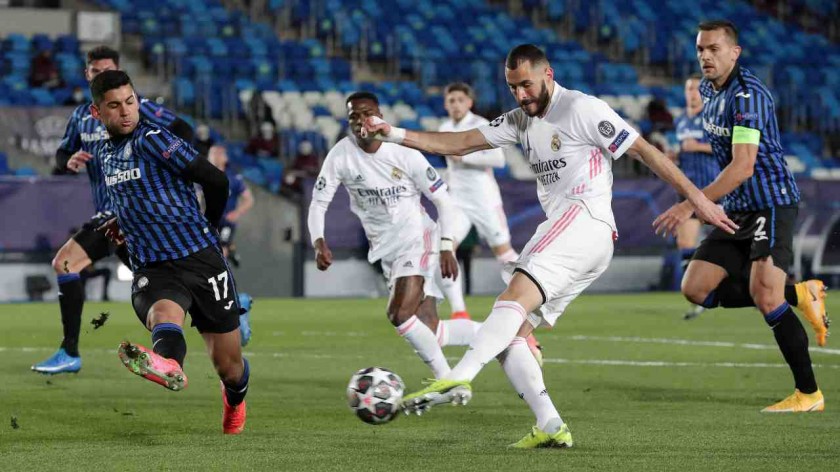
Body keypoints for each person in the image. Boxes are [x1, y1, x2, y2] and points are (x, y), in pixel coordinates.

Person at [363, 44, 734, 448]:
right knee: (512, 334)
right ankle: (550, 423)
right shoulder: (520, 120)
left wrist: (697, 199)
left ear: (548, 75)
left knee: (513, 297)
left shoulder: (581, 109)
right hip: (569, 232)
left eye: (526, 84)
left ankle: (459, 374)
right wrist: (395, 134)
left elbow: (645, 152)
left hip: (585, 219)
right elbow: (459, 142)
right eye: (512, 87)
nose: (521, 95)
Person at [655, 20, 828, 413]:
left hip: (769, 201)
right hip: (735, 207)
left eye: (714, 48)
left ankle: (809, 393)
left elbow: (743, 167)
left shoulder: (748, 96)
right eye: (700, 49)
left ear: (735, 52)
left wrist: (691, 202)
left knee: (765, 297)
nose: (705, 56)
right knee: (696, 288)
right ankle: (801, 293)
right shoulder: (705, 90)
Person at [309, 92, 541, 379]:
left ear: (380, 114)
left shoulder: (403, 151)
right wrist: (318, 241)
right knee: (432, 329)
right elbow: (318, 203)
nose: (361, 121)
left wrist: (446, 245)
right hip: (386, 249)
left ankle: (448, 381)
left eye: (367, 113)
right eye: (353, 116)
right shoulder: (341, 155)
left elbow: (444, 200)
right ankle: (508, 337)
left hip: (418, 238)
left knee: (399, 314)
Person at [90, 70, 248, 434]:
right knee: (164, 313)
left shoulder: (154, 139)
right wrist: (120, 223)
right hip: (153, 265)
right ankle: (169, 366)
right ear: (98, 113)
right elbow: (130, 198)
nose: (126, 111)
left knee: (229, 367)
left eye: (130, 102)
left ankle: (235, 399)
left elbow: (216, 180)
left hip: (200, 259)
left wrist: (209, 225)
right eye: (115, 106)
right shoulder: (103, 154)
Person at [32, 46, 195, 375]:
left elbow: (184, 132)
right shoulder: (82, 116)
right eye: (96, 72)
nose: (102, 76)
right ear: (87, 76)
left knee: (67, 263)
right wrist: (70, 162)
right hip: (116, 220)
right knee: (162, 285)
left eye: (108, 71)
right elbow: (61, 156)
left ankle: (70, 352)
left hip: (132, 214)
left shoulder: (136, 109)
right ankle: (232, 308)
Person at [436, 82, 518, 320]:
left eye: (460, 100)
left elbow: (499, 159)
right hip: (458, 201)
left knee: (504, 254)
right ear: (445, 104)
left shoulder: (481, 125)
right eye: (451, 100)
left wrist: (465, 157)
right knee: (445, 249)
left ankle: (533, 302)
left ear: (469, 103)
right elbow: (451, 167)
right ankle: (459, 311)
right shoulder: (444, 127)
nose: (456, 105)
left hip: (484, 199)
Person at [672, 75, 719, 320]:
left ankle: (755, 288)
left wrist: (698, 146)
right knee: (685, 243)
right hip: (687, 190)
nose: (692, 93)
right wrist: (674, 157)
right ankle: (699, 296)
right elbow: (684, 150)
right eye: (688, 88)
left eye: (696, 89)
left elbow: (729, 148)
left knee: (735, 243)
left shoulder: (712, 118)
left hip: (712, 190)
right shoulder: (680, 121)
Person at [207, 145, 255, 346]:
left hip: (225, 223)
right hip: (208, 223)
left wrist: (237, 214)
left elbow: (248, 199)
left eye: (218, 153)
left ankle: (233, 300)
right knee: (212, 259)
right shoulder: (204, 176)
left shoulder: (233, 179)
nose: (215, 156)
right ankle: (233, 299)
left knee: (219, 256)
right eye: (212, 154)